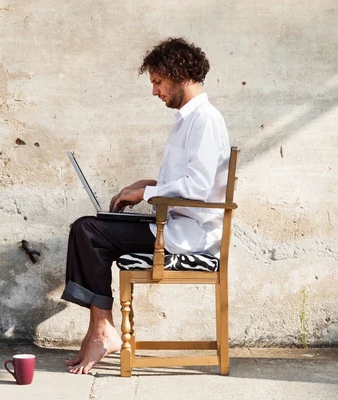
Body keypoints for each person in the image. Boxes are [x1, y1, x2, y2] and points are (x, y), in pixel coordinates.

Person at [61, 37, 230, 374]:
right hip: (176, 222)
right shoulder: (187, 120)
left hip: (190, 234)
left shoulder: (205, 120)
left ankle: (102, 330)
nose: (155, 92)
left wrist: (145, 195)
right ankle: (99, 329)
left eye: (157, 82)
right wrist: (146, 185)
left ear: (179, 74)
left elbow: (197, 188)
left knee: (89, 231)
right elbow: (192, 181)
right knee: (89, 231)